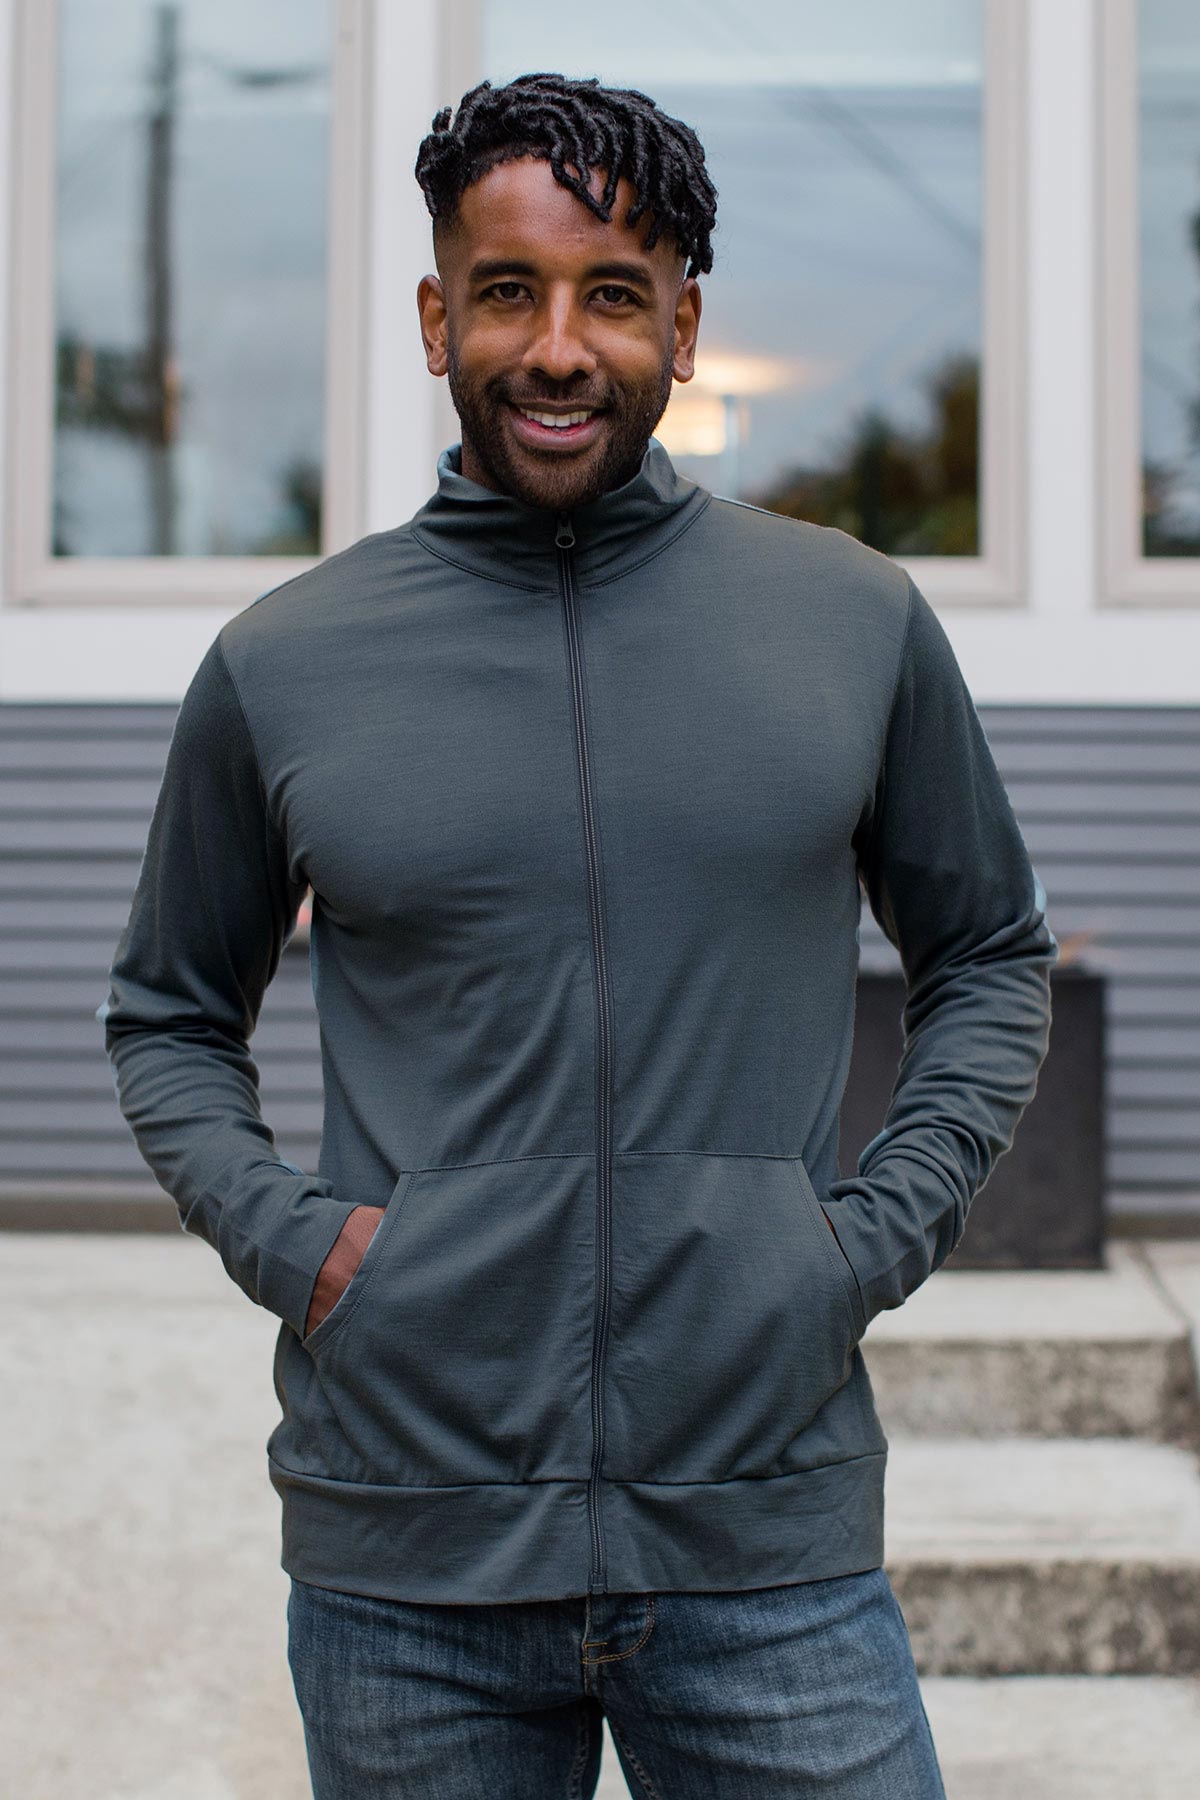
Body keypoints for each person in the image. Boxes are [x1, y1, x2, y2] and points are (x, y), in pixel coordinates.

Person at [98, 70, 1057, 1800]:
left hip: (766, 1545)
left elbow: (989, 953)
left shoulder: (848, 623)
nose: (558, 347)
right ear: (433, 315)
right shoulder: (286, 661)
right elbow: (168, 1013)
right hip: (409, 1561)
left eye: (613, 295)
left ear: (684, 328)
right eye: (508, 291)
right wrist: (310, 1259)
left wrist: (856, 1247)